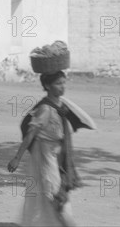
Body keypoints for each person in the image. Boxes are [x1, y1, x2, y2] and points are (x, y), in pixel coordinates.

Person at [7, 71, 92, 227]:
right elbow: (31, 134)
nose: (62, 86)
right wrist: (17, 158)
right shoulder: (45, 109)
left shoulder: (61, 105)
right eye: (58, 83)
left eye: (63, 83)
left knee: (53, 196)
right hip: (46, 157)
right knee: (56, 197)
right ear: (47, 86)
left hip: (57, 156)